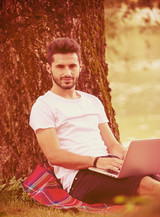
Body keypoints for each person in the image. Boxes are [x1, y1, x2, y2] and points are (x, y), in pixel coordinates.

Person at [29, 37, 160, 204]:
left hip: (107, 166)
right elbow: (54, 156)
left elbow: (113, 146)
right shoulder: (44, 105)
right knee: (149, 186)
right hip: (80, 177)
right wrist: (96, 162)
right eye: (60, 67)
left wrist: (129, 158)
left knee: (154, 179)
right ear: (49, 68)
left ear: (80, 67)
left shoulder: (92, 101)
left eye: (72, 66)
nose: (67, 73)